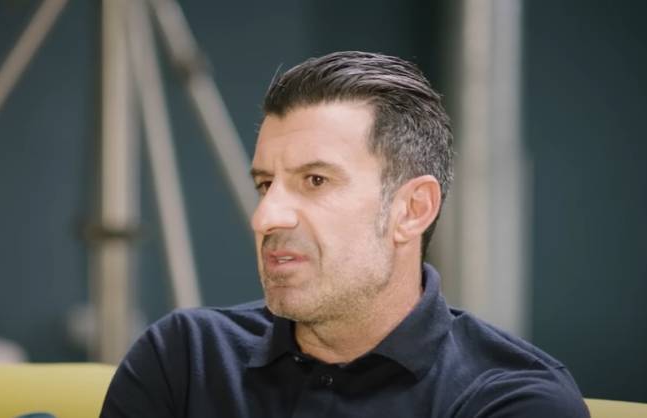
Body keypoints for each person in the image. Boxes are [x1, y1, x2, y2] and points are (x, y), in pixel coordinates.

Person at [101, 51, 589, 417]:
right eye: (265, 185)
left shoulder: (511, 400)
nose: (265, 216)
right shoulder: (185, 358)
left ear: (412, 209)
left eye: (315, 180)